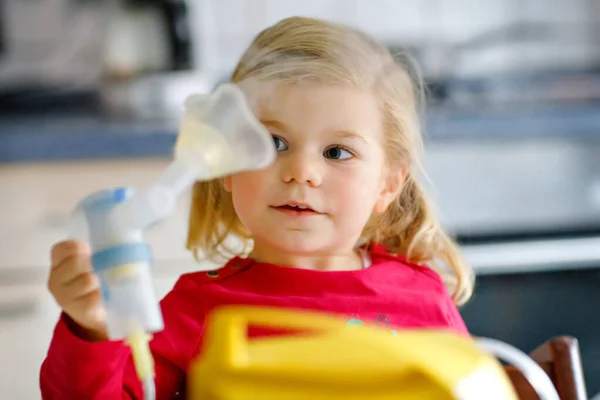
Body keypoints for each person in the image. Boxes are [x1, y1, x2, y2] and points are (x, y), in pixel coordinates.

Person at [40, 16, 474, 399]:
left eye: (337, 152)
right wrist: (91, 330)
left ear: (387, 184)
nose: (301, 172)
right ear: (226, 163)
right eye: (273, 143)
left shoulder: (422, 297)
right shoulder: (197, 310)